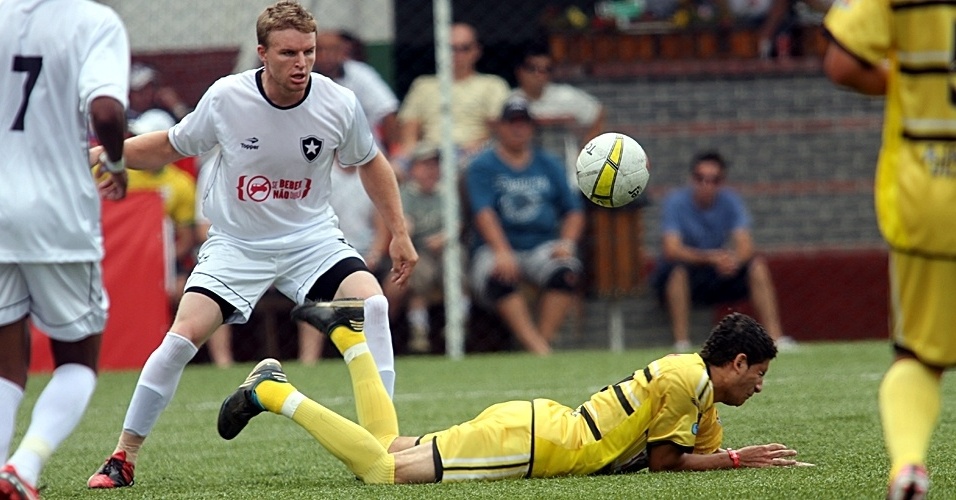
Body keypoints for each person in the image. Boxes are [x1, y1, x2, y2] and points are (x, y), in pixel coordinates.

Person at [85, 1, 417, 489]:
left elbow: (372, 162)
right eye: (288, 53)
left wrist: (400, 234)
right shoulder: (226, 98)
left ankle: (382, 440)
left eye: (309, 51)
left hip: (312, 240)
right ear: (262, 53)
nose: (301, 63)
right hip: (237, 245)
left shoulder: (338, 102)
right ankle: (122, 456)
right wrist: (108, 154)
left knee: (373, 306)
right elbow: (172, 145)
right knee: (178, 341)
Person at [218, 302, 808, 484]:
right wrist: (734, 459)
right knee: (380, 474)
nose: (759, 386)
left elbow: (688, 456)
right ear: (736, 362)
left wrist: (726, 455)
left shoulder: (698, 385)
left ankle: (352, 339)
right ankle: (275, 393)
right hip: (537, 444)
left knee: (387, 445)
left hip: (537, 427)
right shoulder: (689, 381)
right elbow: (665, 463)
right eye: (758, 374)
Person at [823, 3, 955, 499]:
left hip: (931, 191)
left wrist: (900, 83)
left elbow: (841, 62)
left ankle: (908, 467)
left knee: (918, 357)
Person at [0, 0, 129, 497]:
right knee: (77, 359)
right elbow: (106, 109)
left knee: (6, 363)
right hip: (58, 215)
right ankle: (24, 467)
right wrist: (115, 163)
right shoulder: (93, 21)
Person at [465, 98, 586, 355]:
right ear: (500, 127)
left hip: (541, 244)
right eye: (512, 123)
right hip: (497, 245)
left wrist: (567, 243)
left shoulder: (548, 163)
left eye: (524, 123)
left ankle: (540, 345)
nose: (518, 129)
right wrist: (501, 250)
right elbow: (483, 212)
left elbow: (574, 210)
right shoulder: (482, 165)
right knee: (500, 275)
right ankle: (538, 349)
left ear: (532, 128)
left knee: (566, 272)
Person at [652, 151, 789, 353]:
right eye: (700, 179)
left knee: (757, 267)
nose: (706, 185)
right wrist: (710, 258)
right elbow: (671, 249)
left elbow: (745, 244)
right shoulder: (676, 202)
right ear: (692, 179)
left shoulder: (730, 201)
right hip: (691, 272)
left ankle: (776, 337)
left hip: (719, 271)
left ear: (721, 182)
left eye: (714, 180)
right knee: (677, 272)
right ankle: (681, 343)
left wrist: (730, 261)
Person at [397, 22, 510, 169]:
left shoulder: (493, 85)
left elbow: (500, 132)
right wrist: (409, 160)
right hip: (430, 155)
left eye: (464, 48)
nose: (457, 54)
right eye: (450, 48)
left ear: (477, 50)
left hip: (474, 154)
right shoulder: (422, 85)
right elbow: (409, 134)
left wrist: (471, 151)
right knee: (393, 170)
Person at [383, 144, 448, 353]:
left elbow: (458, 223)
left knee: (455, 269)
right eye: (425, 165)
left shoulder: (446, 193)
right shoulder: (406, 194)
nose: (431, 170)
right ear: (413, 169)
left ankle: (457, 324)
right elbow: (404, 227)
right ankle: (416, 332)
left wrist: (444, 237)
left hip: (447, 252)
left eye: (435, 165)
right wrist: (404, 232)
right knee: (416, 277)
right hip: (417, 252)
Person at [314, 30, 400, 155]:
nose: (326, 55)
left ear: (343, 51)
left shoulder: (360, 73)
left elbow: (387, 110)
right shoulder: (303, 77)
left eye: (332, 49)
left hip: (364, 151)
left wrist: (394, 153)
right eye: (320, 50)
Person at [511, 42, 605, 148]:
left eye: (546, 70)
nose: (539, 75)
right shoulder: (510, 101)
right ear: (519, 71)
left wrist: (586, 149)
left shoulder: (566, 96)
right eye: (532, 69)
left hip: (563, 162)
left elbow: (597, 112)